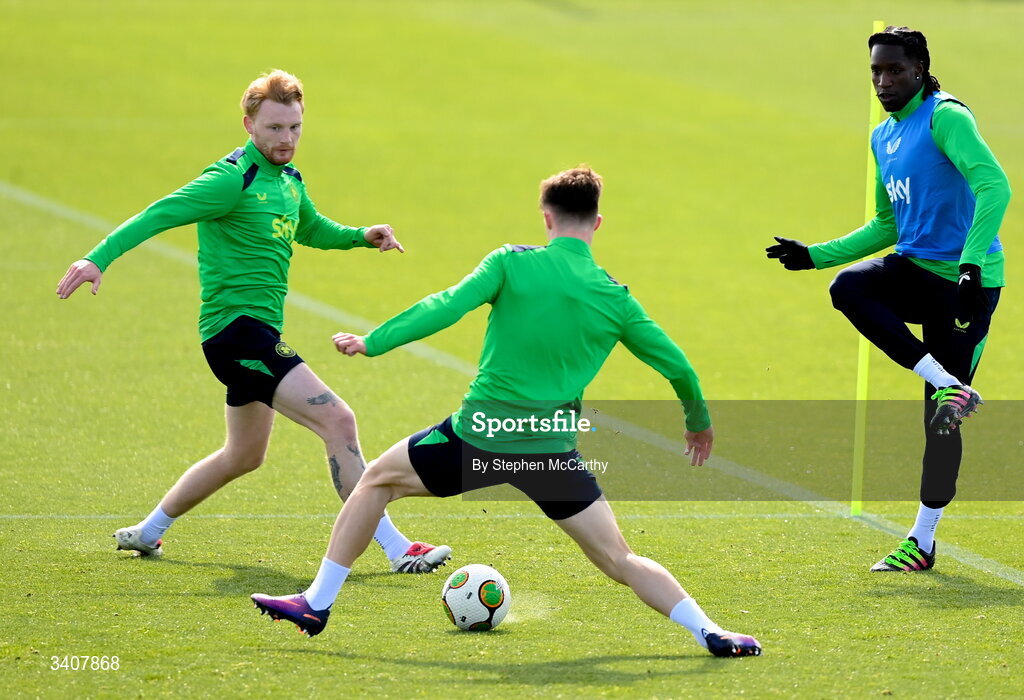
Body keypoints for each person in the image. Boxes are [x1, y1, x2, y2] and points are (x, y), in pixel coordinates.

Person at [250, 166, 762, 658]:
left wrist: (373, 341)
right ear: (597, 223)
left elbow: (445, 305)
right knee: (619, 558)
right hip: (551, 451)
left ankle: (316, 603)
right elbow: (678, 367)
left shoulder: (510, 263)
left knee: (377, 481)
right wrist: (698, 422)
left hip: (480, 438)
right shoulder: (615, 298)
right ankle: (710, 630)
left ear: (547, 217)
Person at [55, 70, 451, 574]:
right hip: (236, 334)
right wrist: (97, 258)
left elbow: (310, 227)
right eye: (274, 128)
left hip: (256, 335)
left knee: (243, 455)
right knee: (339, 421)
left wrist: (360, 235)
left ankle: (148, 532)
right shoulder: (229, 179)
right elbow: (158, 214)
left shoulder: (289, 180)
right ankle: (398, 550)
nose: (286, 139)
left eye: (295, 127)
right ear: (248, 124)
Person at [766, 27, 1011, 572]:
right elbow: (887, 222)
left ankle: (921, 541)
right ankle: (947, 380)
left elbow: (995, 185)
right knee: (848, 286)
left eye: (894, 70)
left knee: (940, 422)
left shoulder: (947, 117)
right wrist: (815, 254)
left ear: (920, 69)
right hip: (916, 269)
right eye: (876, 71)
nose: (883, 81)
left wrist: (971, 264)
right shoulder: (883, 136)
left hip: (966, 285)